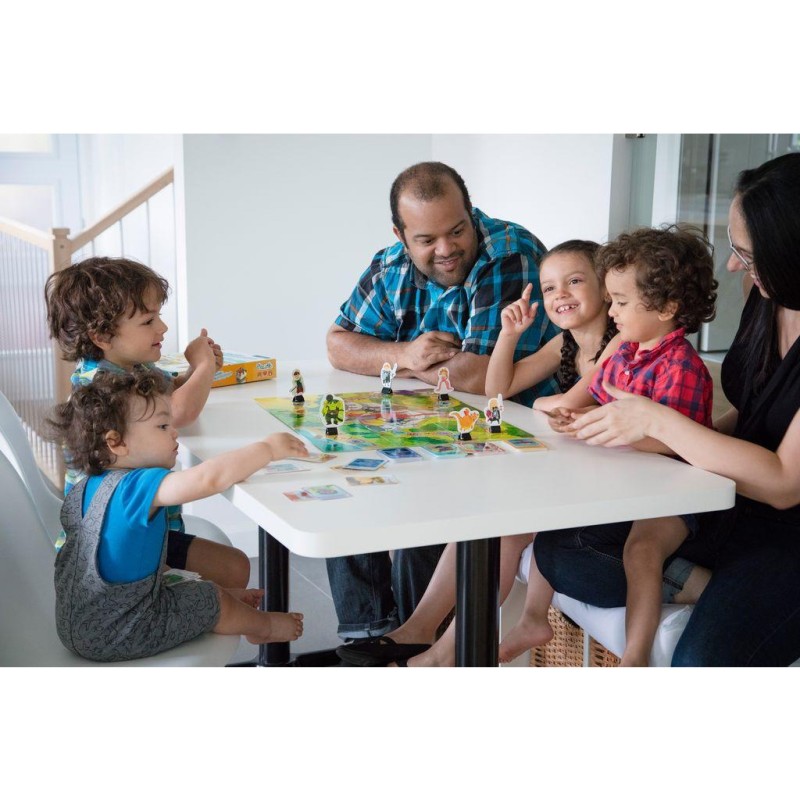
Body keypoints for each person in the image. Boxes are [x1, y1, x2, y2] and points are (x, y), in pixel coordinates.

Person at [534, 152, 800, 666]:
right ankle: (701, 583)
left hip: (785, 535)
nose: (733, 266)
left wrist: (659, 422)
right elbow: (754, 419)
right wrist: (665, 438)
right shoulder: (768, 298)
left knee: (698, 663)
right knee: (558, 552)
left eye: (747, 253)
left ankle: (715, 590)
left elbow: (785, 483)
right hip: (727, 501)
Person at [337, 240, 620, 666]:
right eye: (549, 288)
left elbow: (565, 405)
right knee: (489, 521)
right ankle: (420, 631)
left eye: (575, 281)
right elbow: (497, 390)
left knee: (502, 522)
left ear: (606, 289)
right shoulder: (565, 342)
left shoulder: (617, 344)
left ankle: (445, 653)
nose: (560, 294)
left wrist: (546, 404)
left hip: (615, 484)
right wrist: (509, 335)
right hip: (578, 469)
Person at [326, 161, 559, 641]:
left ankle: (423, 648)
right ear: (400, 235)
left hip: (512, 435)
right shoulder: (389, 264)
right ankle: (369, 637)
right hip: (431, 425)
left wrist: (398, 362)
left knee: (424, 516)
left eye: (456, 231)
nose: (447, 249)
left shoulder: (509, 254)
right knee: (344, 481)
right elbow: (337, 343)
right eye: (427, 240)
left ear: (471, 213)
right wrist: (405, 354)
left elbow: (478, 376)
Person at [499, 226, 717, 665]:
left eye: (620, 301)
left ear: (667, 308)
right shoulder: (624, 354)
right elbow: (592, 402)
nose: (611, 311)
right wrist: (577, 419)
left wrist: (617, 431)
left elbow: (676, 443)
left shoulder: (681, 366)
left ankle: (634, 657)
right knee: (553, 518)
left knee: (642, 551)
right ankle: (532, 618)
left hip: (674, 493)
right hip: (626, 484)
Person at [49, 369, 307, 662]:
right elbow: (208, 479)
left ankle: (234, 604)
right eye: (162, 426)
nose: (174, 432)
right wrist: (267, 449)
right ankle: (264, 627)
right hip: (118, 631)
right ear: (116, 442)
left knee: (193, 584)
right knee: (210, 599)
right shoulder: (135, 488)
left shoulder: (87, 487)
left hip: (77, 623)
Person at [45, 256, 250, 590]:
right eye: (148, 321)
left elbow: (171, 392)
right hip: (111, 547)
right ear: (102, 336)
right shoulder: (101, 384)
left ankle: (218, 610)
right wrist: (204, 368)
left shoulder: (131, 367)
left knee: (234, 568)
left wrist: (196, 370)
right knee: (230, 571)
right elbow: (178, 411)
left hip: (145, 528)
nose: (162, 328)